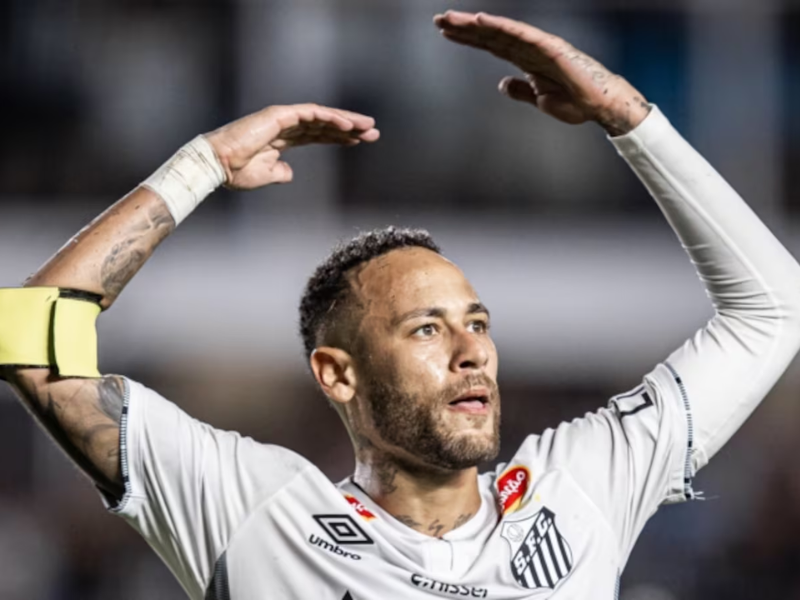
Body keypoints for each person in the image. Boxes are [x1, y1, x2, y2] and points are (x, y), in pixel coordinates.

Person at [2, 10, 799, 599]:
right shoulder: (258, 510)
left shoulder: (579, 489)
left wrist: (630, 119)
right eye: (427, 328)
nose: (471, 350)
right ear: (337, 374)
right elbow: (31, 343)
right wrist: (200, 165)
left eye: (477, 323)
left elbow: (775, 310)